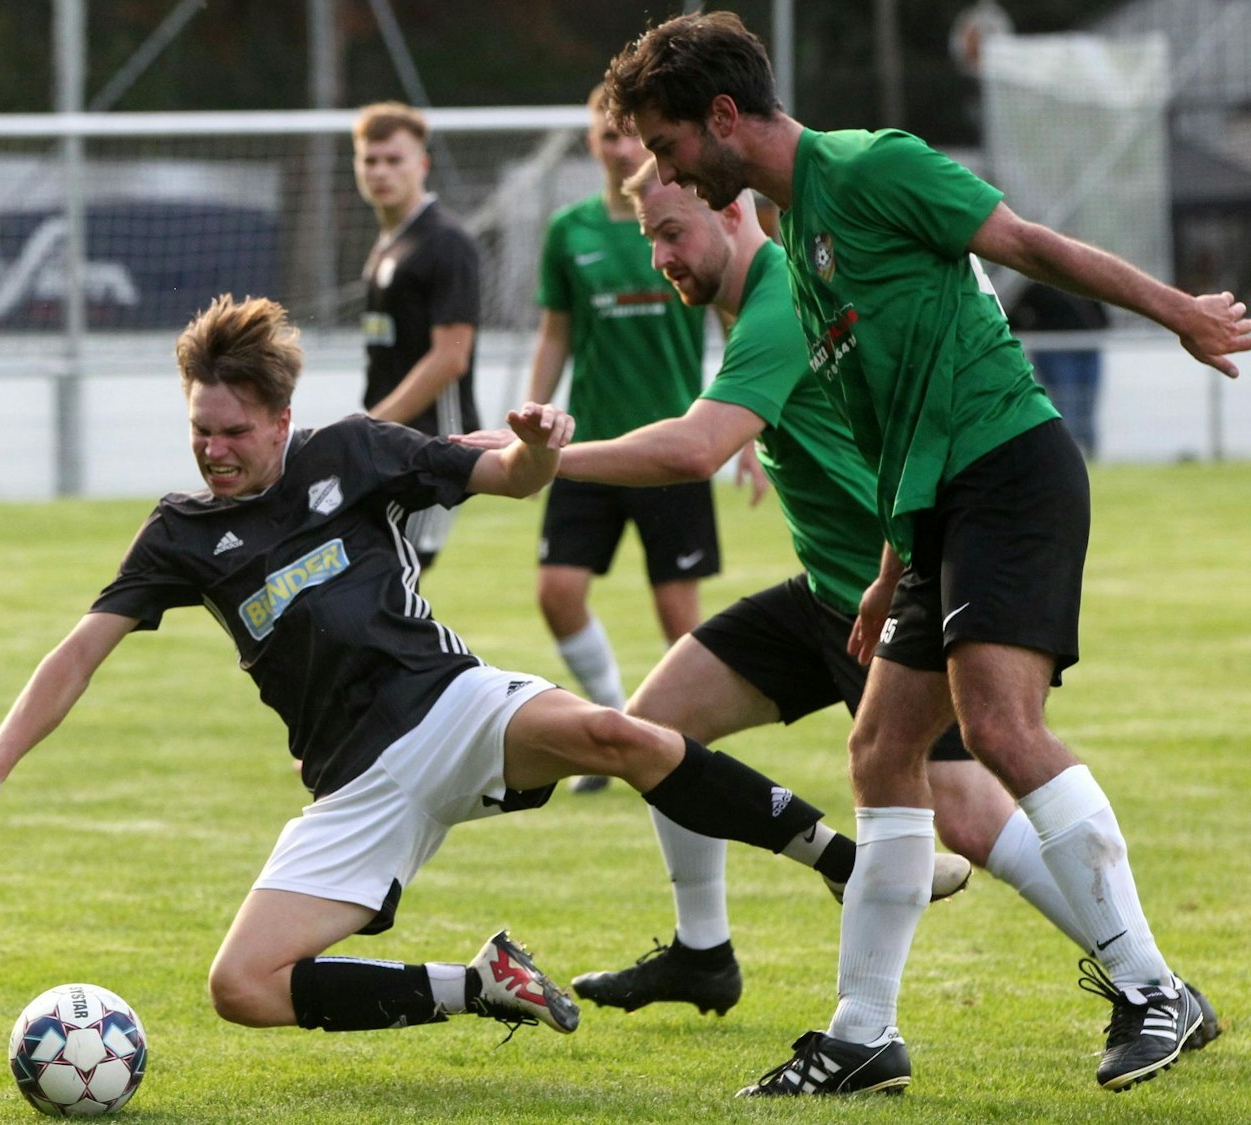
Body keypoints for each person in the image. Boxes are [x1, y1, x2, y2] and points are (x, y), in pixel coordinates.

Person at [0, 294, 923, 1047]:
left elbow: (500, 475)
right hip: (355, 785)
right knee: (243, 986)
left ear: (279, 419)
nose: (214, 451)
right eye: (200, 431)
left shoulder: (352, 452)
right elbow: (78, 651)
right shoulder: (180, 535)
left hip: (450, 707)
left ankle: (840, 864)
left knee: (614, 733)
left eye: (232, 431)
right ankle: (478, 985)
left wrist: (536, 451)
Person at [604, 10, 1248, 1094]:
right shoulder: (798, 244)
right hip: (936, 510)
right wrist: (889, 572)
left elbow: (1030, 247)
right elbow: (891, 428)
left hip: (1010, 466)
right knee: (876, 754)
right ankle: (862, 1037)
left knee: (999, 726)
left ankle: (1153, 990)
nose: (662, 170)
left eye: (666, 147)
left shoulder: (869, 167)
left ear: (721, 116)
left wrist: (1176, 311)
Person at [469, 165, 1158, 1027]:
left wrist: (532, 461)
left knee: (974, 819)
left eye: (671, 231)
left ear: (730, 206)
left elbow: (694, 447)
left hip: (889, 593)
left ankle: (1147, 979)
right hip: (836, 589)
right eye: (648, 237)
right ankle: (705, 951)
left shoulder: (782, 294)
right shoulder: (754, 298)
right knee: (652, 729)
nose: (658, 256)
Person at [525, 83, 723, 791]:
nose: (618, 147)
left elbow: (732, 319)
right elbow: (556, 336)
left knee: (678, 614)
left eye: (628, 135)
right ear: (591, 143)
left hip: (673, 448)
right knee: (557, 590)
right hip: (590, 450)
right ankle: (611, 713)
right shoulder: (568, 231)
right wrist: (531, 416)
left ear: (649, 139)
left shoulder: (685, 217)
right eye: (605, 135)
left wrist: (752, 432)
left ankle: (687, 754)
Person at [353, 102, 482, 571]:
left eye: (394, 159)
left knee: (387, 578)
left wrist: (368, 426)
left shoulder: (445, 243)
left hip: (431, 449)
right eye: (370, 160)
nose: (381, 171)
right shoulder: (387, 244)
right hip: (389, 445)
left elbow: (451, 357)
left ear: (421, 164)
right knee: (370, 585)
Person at [1010, 282, 1109, 459]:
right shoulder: (1040, 288)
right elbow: (1015, 317)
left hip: (1087, 347)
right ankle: (1069, 457)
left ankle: (1089, 456)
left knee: (1086, 405)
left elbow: (1102, 316)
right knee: (1067, 405)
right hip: (1056, 351)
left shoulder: (1083, 282)